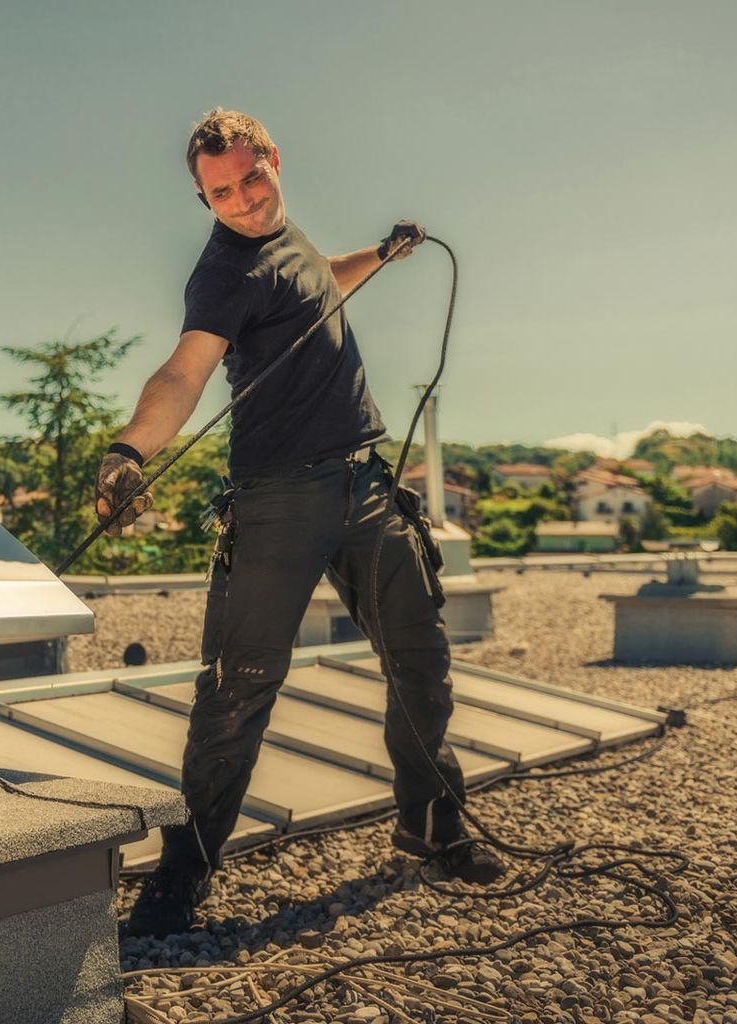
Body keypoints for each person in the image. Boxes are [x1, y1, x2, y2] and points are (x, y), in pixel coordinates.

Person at [97, 108, 505, 939]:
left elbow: (322, 278)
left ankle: (431, 824)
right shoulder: (221, 275)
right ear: (201, 197)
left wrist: (384, 255)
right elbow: (183, 371)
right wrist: (127, 451)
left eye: (252, 178)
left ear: (274, 160)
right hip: (276, 500)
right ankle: (181, 879)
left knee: (421, 662)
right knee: (236, 695)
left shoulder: (291, 241)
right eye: (221, 193)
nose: (243, 201)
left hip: (365, 484)